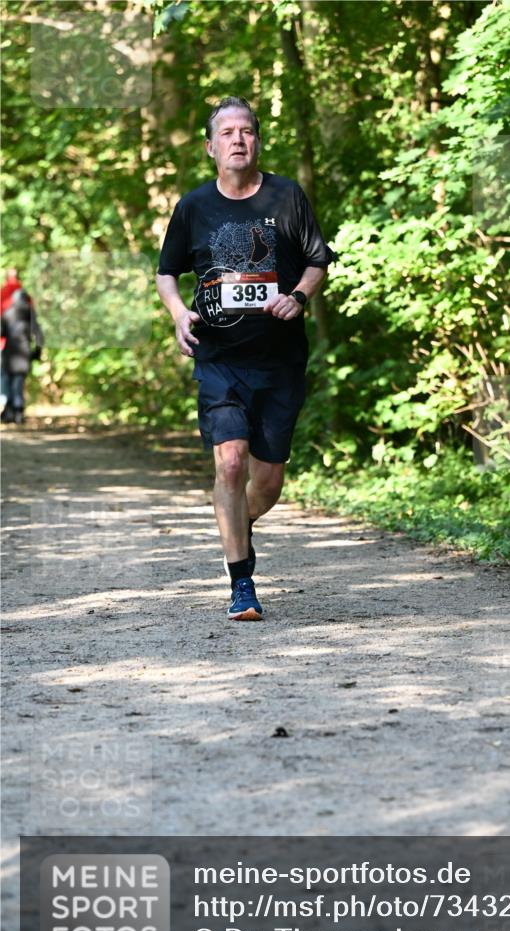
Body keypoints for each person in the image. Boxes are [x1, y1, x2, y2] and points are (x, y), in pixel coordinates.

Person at [156, 96, 335, 621]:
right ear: (211, 147)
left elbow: (318, 260)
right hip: (218, 359)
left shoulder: (286, 196)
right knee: (230, 462)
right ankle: (242, 582)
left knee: (268, 482)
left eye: (247, 131)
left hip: (280, 362)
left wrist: (298, 296)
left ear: (258, 141)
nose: (238, 139)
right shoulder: (193, 207)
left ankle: (236, 523)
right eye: (227, 132)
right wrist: (177, 313)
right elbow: (168, 271)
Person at [1, 289, 44, 425]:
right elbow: (38, 335)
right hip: (23, 354)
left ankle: (10, 412)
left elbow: (1, 332)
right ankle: (17, 411)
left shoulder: (8, 313)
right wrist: (37, 352)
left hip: (9, 355)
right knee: (18, 383)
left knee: (8, 383)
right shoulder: (29, 313)